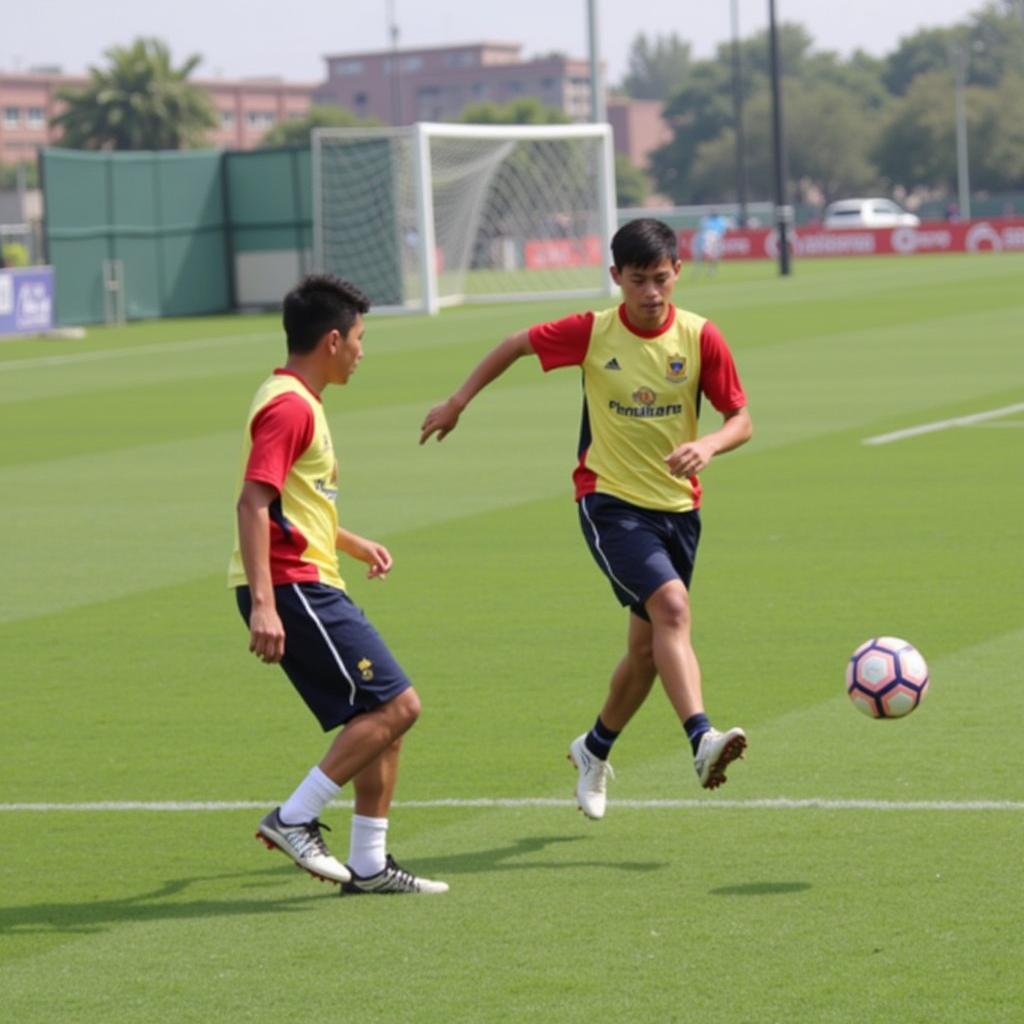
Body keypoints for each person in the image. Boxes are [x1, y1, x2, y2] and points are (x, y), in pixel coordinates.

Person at [420, 218, 752, 820]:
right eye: (637, 281)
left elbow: (741, 419)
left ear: (677, 272)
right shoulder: (592, 333)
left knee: (649, 652)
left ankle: (593, 751)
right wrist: (457, 401)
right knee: (672, 609)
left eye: (660, 279)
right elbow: (514, 344)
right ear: (615, 279)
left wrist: (709, 445)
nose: (651, 293)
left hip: (680, 511)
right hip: (610, 503)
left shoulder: (702, 337)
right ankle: (702, 739)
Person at [228, 273, 447, 894]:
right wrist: (265, 606)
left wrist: (352, 542)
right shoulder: (290, 406)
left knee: (386, 713)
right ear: (331, 340)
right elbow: (252, 504)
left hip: (309, 577)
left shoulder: (298, 398)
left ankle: (370, 865)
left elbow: (296, 505)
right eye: (358, 338)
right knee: (400, 705)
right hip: (292, 585)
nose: (361, 350)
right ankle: (294, 817)